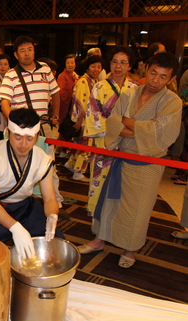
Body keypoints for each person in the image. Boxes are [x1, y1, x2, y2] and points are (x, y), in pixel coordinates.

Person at [79, 53, 182, 268]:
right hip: (121, 158)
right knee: (109, 202)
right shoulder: (128, 94)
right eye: (153, 73)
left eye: (163, 77)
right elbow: (115, 122)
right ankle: (100, 239)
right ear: (147, 69)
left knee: (138, 209)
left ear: (171, 79)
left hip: (148, 165)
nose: (156, 80)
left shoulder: (172, 102)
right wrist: (139, 126)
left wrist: (127, 124)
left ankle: (130, 249)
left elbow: (163, 133)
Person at [0, 108, 63, 259]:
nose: (23, 144)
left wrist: (52, 216)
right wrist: (15, 228)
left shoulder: (44, 160)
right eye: (17, 137)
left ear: (37, 136)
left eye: (30, 138)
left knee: (54, 247)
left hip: (25, 207)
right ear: (7, 132)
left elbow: (50, 198)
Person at [0, 35, 66, 217]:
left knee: (48, 165)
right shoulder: (11, 75)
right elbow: (4, 101)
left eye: (29, 49)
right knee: (18, 167)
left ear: (34, 51)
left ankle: (55, 204)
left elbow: (56, 93)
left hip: (43, 128)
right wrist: (14, 123)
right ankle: (18, 206)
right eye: (22, 50)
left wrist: (56, 116)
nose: (26, 53)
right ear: (16, 55)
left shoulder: (45, 70)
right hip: (22, 130)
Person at [86, 46, 138, 215]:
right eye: (115, 62)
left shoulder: (136, 89)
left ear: (129, 66)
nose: (118, 66)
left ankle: (118, 219)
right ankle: (97, 218)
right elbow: (93, 115)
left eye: (123, 63)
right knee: (101, 181)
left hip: (129, 143)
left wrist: (129, 131)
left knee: (125, 183)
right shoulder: (99, 87)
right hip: (105, 143)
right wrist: (120, 129)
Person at [64, 55, 104, 182]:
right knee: (84, 145)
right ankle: (78, 171)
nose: (96, 69)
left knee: (80, 144)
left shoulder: (94, 81)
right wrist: (80, 118)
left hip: (90, 119)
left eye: (99, 67)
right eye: (93, 66)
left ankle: (71, 164)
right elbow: (80, 101)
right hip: (84, 119)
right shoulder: (83, 81)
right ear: (87, 68)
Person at [57, 54, 79, 126]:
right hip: (65, 106)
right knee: (64, 128)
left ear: (75, 64)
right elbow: (62, 92)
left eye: (72, 63)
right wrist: (73, 94)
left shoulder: (76, 76)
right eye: (68, 63)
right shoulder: (63, 76)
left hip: (74, 106)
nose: (70, 65)